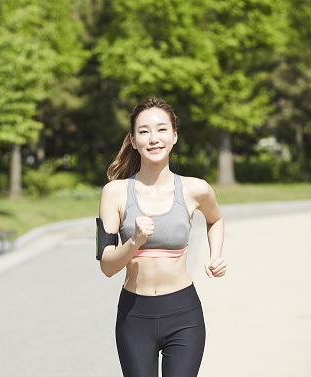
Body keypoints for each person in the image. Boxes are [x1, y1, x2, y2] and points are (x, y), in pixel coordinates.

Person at [96, 97, 226, 377]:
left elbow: (215, 219)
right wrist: (134, 241)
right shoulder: (115, 193)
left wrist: (216, 256)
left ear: (175, 135)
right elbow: (107, 266)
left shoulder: (196, 189)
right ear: (132, 140)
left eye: (162, 129)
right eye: (144, 131)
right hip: (134, 316)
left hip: (184, 315)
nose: (154, 138)